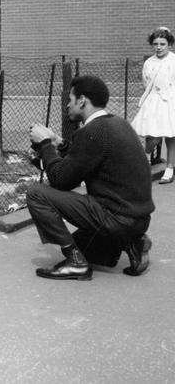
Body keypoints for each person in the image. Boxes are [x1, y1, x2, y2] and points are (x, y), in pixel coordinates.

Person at [27, 75, 155, 281]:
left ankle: (75, 263)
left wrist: (44, 145)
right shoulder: (117, 123)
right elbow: (86, 159)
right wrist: (58, 143)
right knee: (85, 246)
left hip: (116, 218)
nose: (67, 105)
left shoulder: (93, 131)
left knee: (36, 193)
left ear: (82, 100)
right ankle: (133, 242)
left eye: (70, 99)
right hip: (138, 220)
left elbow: (62, 180)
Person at [131, 26, 175, 184]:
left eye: (162, 44)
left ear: (169, 44)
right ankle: (146, 159)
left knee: (171, 137)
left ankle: (169, 170)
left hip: (171, 100)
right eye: (155, 44)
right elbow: (146, 83)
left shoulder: (173, 60)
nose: (159, 47)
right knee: (154, 136)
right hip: (155, 101)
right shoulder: (149, 62)